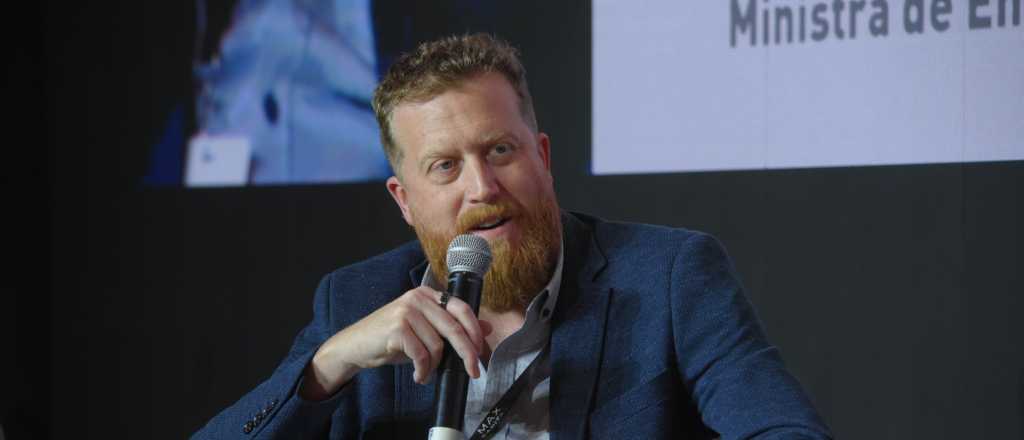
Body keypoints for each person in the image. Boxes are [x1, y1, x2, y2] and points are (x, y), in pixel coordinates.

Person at [193, 34, 833, 439]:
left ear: (542, 157)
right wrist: (326, 367)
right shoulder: (354, 300)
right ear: (404, 201)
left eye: (500, 150)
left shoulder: (668, 277)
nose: (483, 187)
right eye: (445, 167)